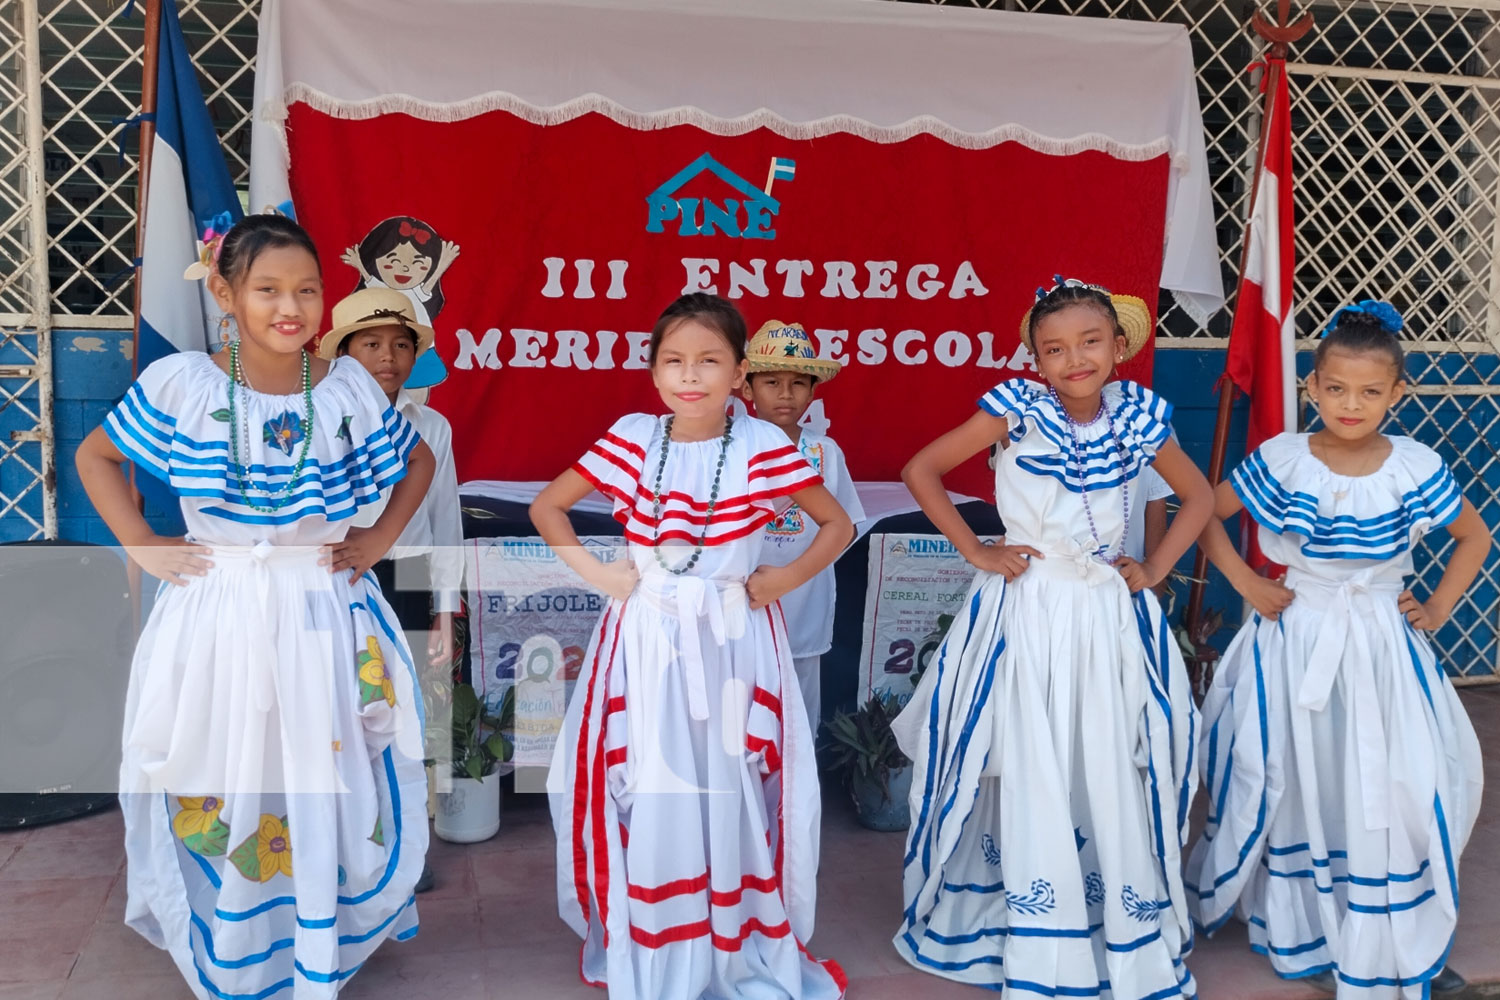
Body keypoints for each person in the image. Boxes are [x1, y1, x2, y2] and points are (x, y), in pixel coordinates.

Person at [75, 214, 436, 999]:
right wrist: (143, 543)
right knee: (230, 770)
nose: (290, 306)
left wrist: (374, 541)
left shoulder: (344, 390)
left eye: (307, 289)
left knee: (322, 770)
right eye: (268, 288)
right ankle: (237, 937)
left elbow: (418, 460)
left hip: (319, 607)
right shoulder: (184, 384)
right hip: (220, 609)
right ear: (224, 293)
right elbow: (96, 455)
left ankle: (316, 935)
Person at [893, 277, 1213, 997]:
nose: (1075, 359)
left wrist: (1155, 568)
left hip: (1103, 613)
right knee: (1027, 753)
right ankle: (1024, 916)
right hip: (1027, 609)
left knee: (1100, 751)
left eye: (1090, 342)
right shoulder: (1015, 411)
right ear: (1034, 358)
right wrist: (979, 552)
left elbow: (1198, 496)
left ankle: (1106, 918)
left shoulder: (1139, 417)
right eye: (1055, 348)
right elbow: (924, 471)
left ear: (1119, 347)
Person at [529, 293, 852, 999]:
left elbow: (835, 525)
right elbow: (548, 506)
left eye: (710, 360)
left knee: (730, 779)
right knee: (647, 778)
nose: (690, 376)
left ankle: (726, 928)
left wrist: (783, 577)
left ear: (740, 372)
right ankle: (658, 924)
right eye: (674, 361)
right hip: (644, 635)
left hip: (731, 639)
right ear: (652, 371)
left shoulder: (763, 446)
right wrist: (602, 575)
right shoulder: (634, 436)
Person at [1189, 300, 1489, 997]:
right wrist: (1246, 583)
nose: (1351, 404)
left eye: (1370, 391)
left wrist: (1439, 604)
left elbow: (1474, 536)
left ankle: (1388, 926)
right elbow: (1207, 511)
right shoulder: (1284, 457)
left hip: (1383, 644)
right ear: (1310, 387)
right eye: (1335, 388)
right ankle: (1305, 924)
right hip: (1295, 634)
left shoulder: (1414, 466)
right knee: (1299, 773)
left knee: (1396, 782)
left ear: (1397, 395)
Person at [321, 285, 465, 895]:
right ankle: (344, 845)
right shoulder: (315, 416)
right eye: (371, 343)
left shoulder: (429, 425)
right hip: (337, 576)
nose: (388, 356)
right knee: (343, 716)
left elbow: (445, 519)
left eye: (402, 344)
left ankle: (408, 847)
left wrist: (445, 610)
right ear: (344, 352)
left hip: (406, 573)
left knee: (410, 715)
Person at [740, 319, 865, 731]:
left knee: (797, 715)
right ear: (746, 387)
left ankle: (796, 794)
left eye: (798, 383)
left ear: (813, 392)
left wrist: (802, 571)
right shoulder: (730, 447)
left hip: (803, 606)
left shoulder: (824, 450)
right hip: (741, 604)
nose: (786, 394)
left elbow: (846, 527)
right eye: (772, 382)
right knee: (738, 708)